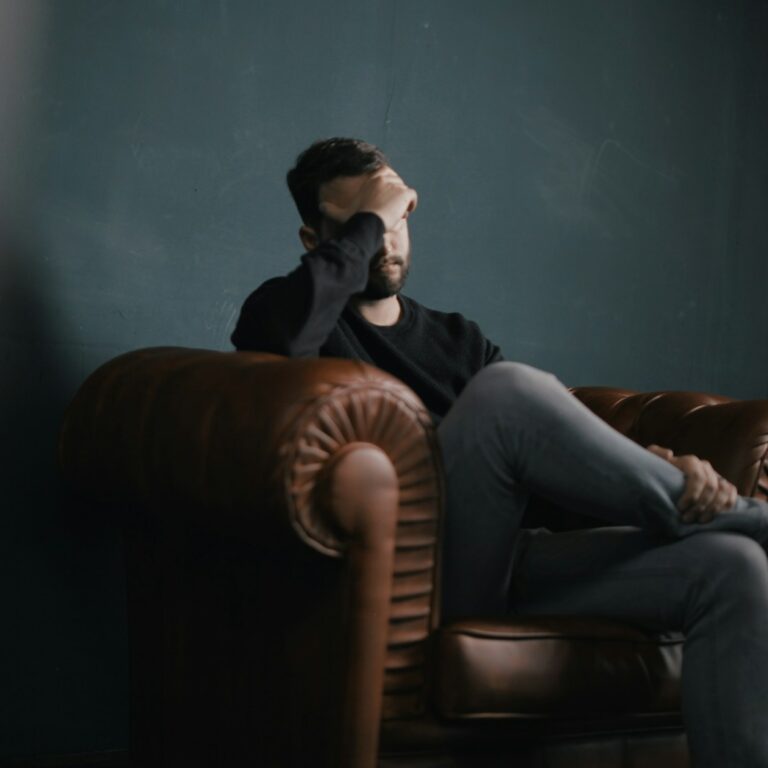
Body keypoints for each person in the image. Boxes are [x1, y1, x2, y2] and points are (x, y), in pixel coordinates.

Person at [232, 137, 768, 767]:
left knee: (734, 567)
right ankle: (744, 516)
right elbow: (277, 347)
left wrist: (653, 466)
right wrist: (374, 218)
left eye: (397, 215)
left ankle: (720, 520)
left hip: (509, 562)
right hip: (417, 579)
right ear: (314, 239)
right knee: (507, 393)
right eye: (362, 222)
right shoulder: (286, 313)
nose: (385, 238)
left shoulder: (460, 340)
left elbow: (540, 473)